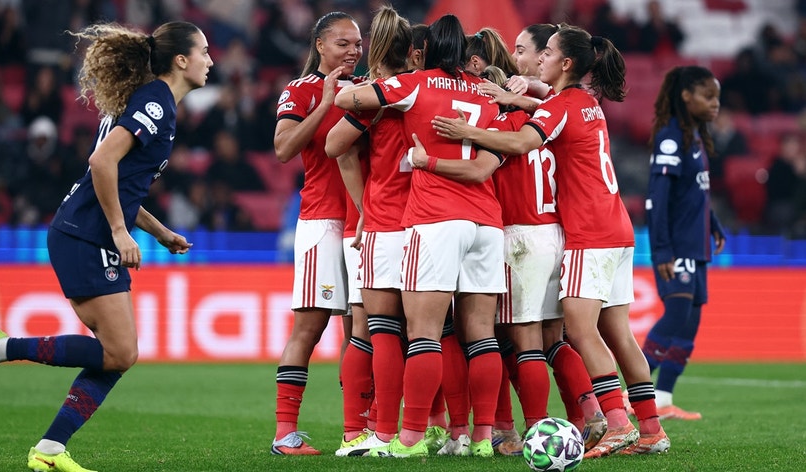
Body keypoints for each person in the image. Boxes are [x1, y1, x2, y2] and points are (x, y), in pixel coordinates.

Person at [0, 20, 212, 472]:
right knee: (121, 352)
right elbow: (101, 162)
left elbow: (120, 184)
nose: (212, 60)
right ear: (181, 59)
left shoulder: (156, 103)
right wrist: (118, 231)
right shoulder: (155, 102)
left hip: (83, 232)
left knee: (117, 355)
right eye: (205, 51)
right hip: (84, 235)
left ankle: (50, 450)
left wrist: (159, 232)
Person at [432, 23, 669, 458]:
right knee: (616, 333)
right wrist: (519, 97)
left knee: (568, 332)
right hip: (616, 228)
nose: (538, 58)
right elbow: (548, 103)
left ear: (566, 62)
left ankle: (613, 422)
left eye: (546, 53)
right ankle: (651, 427)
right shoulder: (586, 103)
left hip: (584, 233)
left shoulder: (557, 105)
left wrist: (467, 132)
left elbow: (523, 141)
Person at [336, 13, 505, 458]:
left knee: (419, 333)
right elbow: (491, 161)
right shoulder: (487, 95)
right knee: (479, 335)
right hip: (488, 221)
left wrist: (358, 86)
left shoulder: (415, 84)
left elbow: (347, 106)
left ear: (424, 51)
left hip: (433, 219)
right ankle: (481, 437)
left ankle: (404, 438)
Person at [271, 11, 364, 456]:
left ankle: (355, 430)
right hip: (323, 222)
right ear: (321, 45)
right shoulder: (301, 89)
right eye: (343, 43)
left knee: (362, 331)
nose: (353, 50)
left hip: (367, 223)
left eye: (358, 43)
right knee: (309, 328)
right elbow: (284, 149)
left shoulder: (370, 89)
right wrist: (326, 102)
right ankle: (284, 433)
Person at [640, 65, 726, 422]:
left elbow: (695, 193)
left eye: (717, 97)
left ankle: (662, 399)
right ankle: (631, 392)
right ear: (686, 96)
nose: (715, 104)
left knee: (689, 324)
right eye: (708, 96)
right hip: (676, 247)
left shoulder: (695, 137)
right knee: (676, 314)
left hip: (696, 244)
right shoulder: (671, 138)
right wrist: (662, 250)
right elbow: (657, 198)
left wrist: (714, 224)